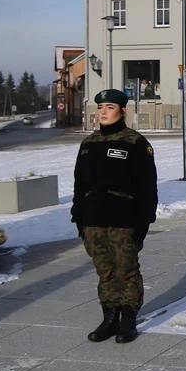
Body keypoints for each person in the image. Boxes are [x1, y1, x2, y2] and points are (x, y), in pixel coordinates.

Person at [72, 89, 158, 344]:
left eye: (110, 107)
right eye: (100, 108)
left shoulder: (135, 142)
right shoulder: (88, 144)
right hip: (93, 219)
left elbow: (147, 187)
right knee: (105, 270)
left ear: (122, 111)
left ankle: (127, 320)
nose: (104, 112)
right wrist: (79, 216)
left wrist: (144, 222)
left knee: (126, 270)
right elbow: (79, 184)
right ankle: (109, 318)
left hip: (124, 219)